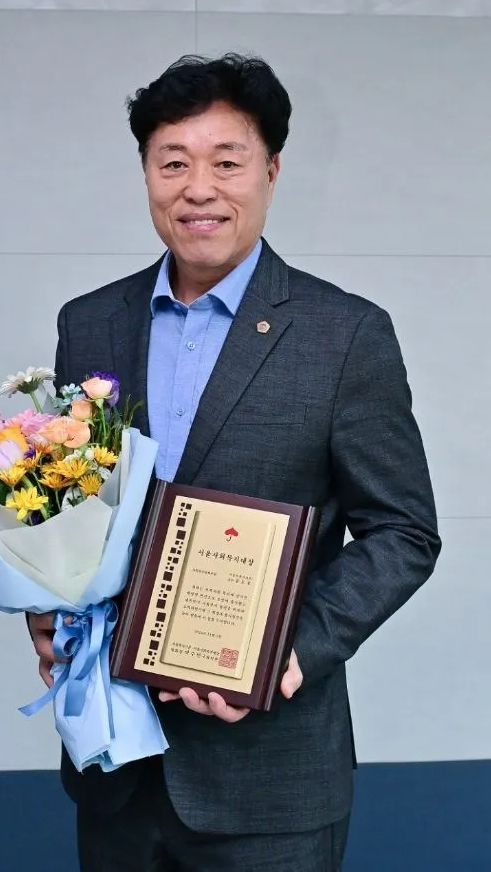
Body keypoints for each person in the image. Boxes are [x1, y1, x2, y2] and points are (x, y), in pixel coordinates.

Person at [28, 54, 441, 872]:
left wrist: (292, 651)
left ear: (270, 172)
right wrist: (48, 605)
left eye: (226, 163)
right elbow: (73, 506)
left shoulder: (342, 334)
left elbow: (402, 532)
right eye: (172, 163)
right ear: (145, 173)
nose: (198, 189)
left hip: (269, 777)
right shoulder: (90, 323)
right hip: (115, 764)